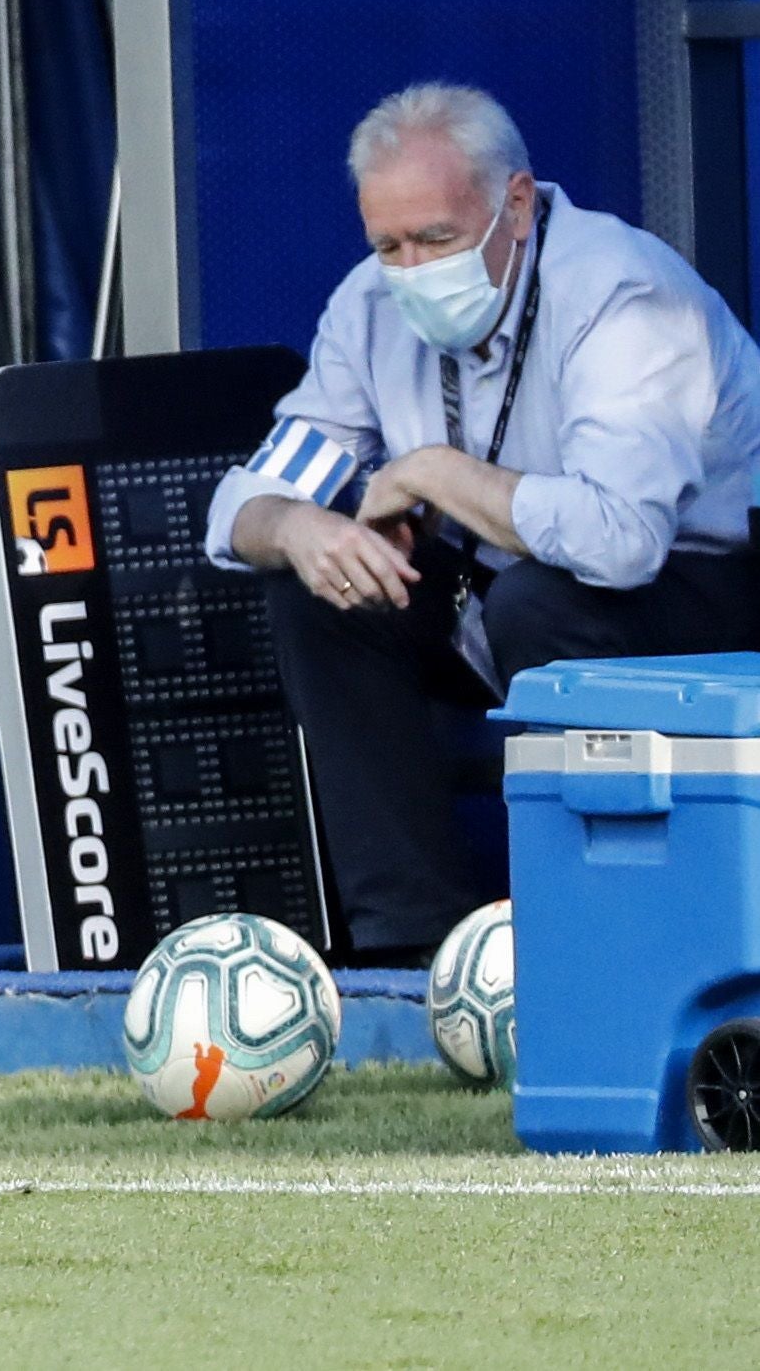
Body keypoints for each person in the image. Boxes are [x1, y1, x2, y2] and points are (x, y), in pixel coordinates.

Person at [206, 83, 760, 960]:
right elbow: (242, 502)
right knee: (323, 591)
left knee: (541, 600)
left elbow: (621, 541)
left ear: (513, 202)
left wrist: (433, 473)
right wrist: (300, 531)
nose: (412, 268)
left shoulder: (622, 293)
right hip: (498, 583)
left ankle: (595, 938)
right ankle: (416, 949)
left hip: (701, 597)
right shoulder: (367, 303)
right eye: (388, 244)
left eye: (435, 237)